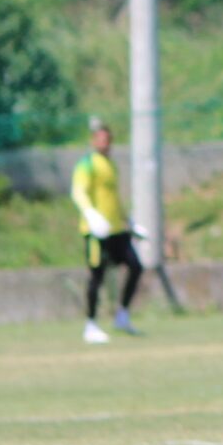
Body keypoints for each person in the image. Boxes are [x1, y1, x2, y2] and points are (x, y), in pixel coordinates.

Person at [72, 118, 144, 344]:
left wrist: (129, 222)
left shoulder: (111, 165)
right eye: (100, 139)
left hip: (116, 230)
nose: (104, 143)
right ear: (93, 141)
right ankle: (90, 325)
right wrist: (91, 215)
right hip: (96, 231)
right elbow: (78, 192)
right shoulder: (87, 164)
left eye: (107, 139)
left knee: (136, 266)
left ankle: (122, 315)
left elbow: (113, 198)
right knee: (97, 276)